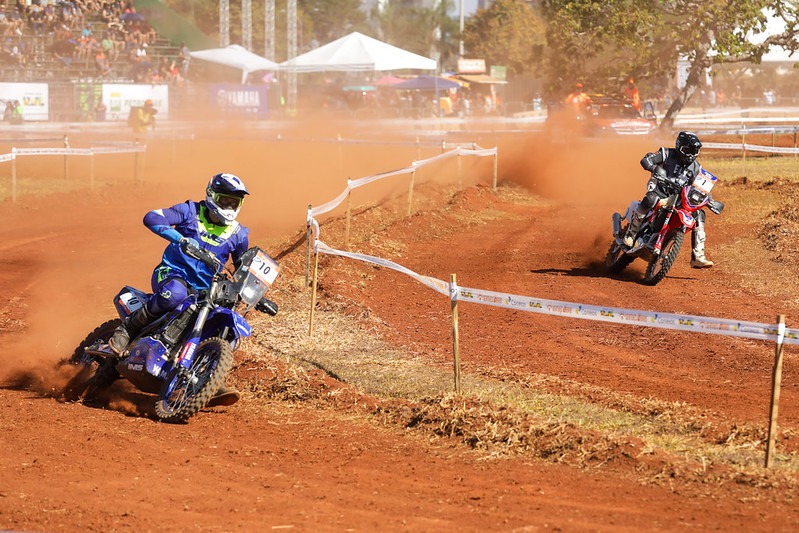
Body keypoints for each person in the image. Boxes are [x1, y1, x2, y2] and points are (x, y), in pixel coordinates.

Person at [108, 173, 252, 406]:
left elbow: (242, 266)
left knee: (223, 326)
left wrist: (254, 290)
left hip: (207, 290)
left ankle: (207, 378)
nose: (229, 206)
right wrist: (179, 238)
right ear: (213, 196)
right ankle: (127, 329)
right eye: (225, 200)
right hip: (172, 273)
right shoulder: (189, 211)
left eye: (234, 202)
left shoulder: (239, 234)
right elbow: (152, 217)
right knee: (175, 295)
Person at [623, 131, 715, 268]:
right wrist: (654, 167)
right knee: (651, 199)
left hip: (679, 198)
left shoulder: (696, 168)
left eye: (695, 151)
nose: (691, 155)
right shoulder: (666, 154)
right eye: (687, 150)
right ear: (679, 147)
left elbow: (701, 187)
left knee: (699, 214)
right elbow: (646, 160)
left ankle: (698, 255)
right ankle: (632, 233)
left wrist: (709, 200)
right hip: (660, 190)